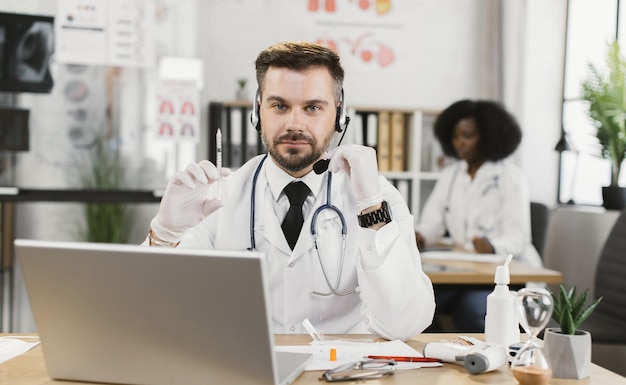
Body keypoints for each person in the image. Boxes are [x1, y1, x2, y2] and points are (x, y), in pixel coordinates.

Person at [145, 41, 435, 341]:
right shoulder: (216, 197)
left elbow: (404, 324)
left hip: (344, 376)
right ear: (258, 112)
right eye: (279, 106)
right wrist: (164, 235)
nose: (294, 124)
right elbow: (157, 311)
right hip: (247, 370)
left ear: (339, 114)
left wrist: (371, 207)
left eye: (312, 107)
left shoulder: (376, 197)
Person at [415, 99, 541, 332]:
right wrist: (420, 236)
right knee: (417, 306)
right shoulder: (451, 175)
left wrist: (491, 245)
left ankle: (484, 364)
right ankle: (439, 360)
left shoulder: (511, 177)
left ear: (487, 136)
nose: (459, 142)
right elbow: (433, 222)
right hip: (463, 272)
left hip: (504, 275)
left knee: (470, 309)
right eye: (455, 136)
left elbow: (518, 238)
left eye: (468, 135)